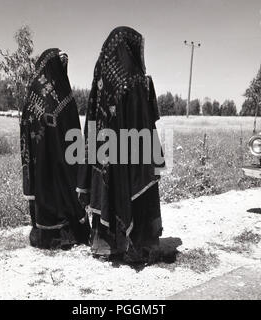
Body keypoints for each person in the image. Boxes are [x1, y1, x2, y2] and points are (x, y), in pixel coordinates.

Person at [77, 27, 165, 263]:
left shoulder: (102, 70)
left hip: (103, 150)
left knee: (108, 190)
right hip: (133, 151)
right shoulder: (133, 78)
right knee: (132, 191)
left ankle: (108, 245)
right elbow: (144, 120)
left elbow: (93, 117)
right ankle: (135, 246)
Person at [20, 48, 90, 250]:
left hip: (38, 162)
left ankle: (45, 232)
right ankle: (67, 232)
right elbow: (71, 129)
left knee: (44, 183)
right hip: (62, 159)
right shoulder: (62, 97)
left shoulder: (30, 96)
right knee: (63, 185)